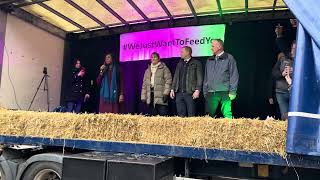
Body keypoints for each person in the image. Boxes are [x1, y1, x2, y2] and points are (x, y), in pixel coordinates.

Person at [203, 39, 239, 118]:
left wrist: (233, 91)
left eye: (213, 46)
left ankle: (229, 130)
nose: (211, 48)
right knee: (208, 116)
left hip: (225, 92)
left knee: (227, 115)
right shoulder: (209, 60)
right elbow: (206, 77)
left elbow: (234, 75)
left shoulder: (229, 58)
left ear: (219, 47)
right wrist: (205, 90)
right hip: (211, 92)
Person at [170, 46, 203, 117]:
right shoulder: (180, 63)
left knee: (191, 115)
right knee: (181, 115)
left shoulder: (196, 63)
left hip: (190, 93)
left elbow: (199, 78)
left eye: (182, 52)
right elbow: (175, 77)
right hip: (179, 93)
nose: (180, 53)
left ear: (188, 52)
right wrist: (172, 89)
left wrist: (197, 90)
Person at [272, 41, 296, 119]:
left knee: (294, 115)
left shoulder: (302, 61)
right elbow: (273, 73)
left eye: (296, 49)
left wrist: (295, 71)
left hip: (294, 92)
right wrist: (282, 73)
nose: (293, 51)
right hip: (280, 92)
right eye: (293, 48)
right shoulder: (283, 58)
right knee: (285, 116)